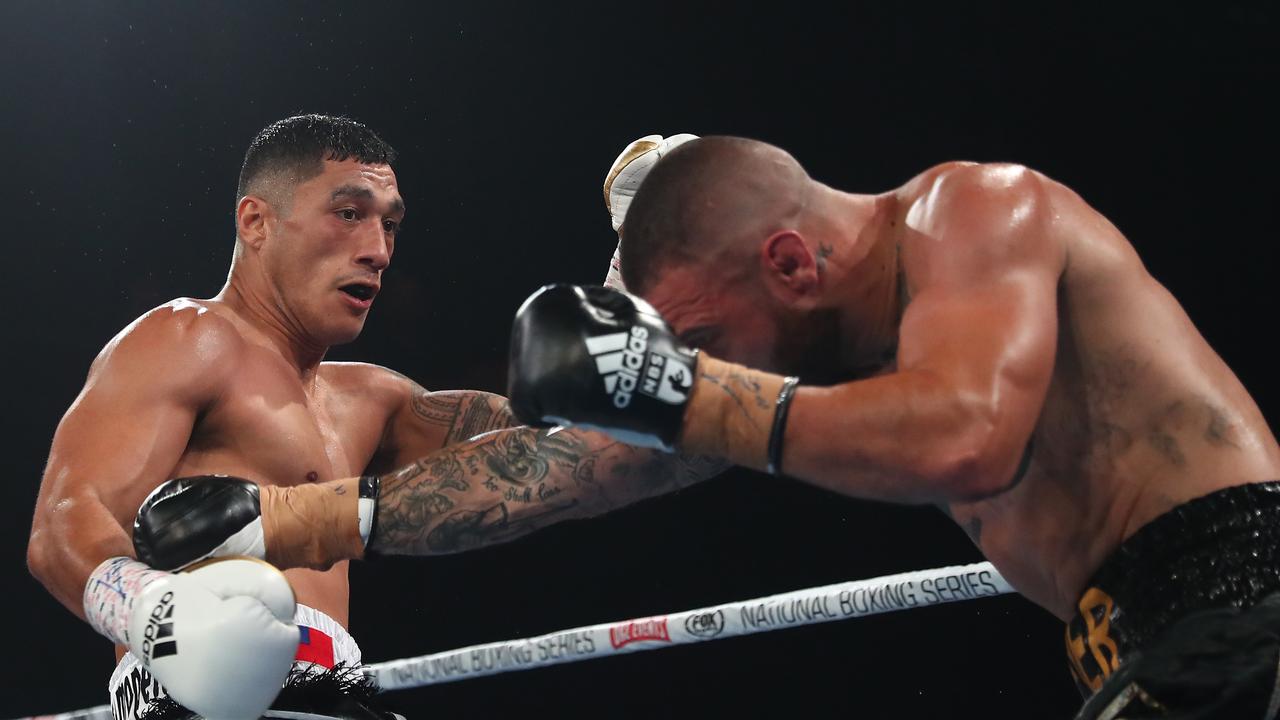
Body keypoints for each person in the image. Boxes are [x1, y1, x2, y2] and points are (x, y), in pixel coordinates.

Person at [507, 135, 1280, 719]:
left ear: (790, 265)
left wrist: (679, 391)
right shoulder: (860, 368)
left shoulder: (971, 212)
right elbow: (600, 464)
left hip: (1243, 601)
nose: (722, 370)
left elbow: (968, 436)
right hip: (1134, 646)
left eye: (708, 343)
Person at [26, 116, 719, 720]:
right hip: (187, 696)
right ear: (256, 221)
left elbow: (571, 450)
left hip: (336, 690)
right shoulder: (188, 339)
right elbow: (62, 522)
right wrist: (156, 615)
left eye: (390, 224)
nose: (378, 250)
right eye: (350, 213)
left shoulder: (374, 399)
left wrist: (638, 273)